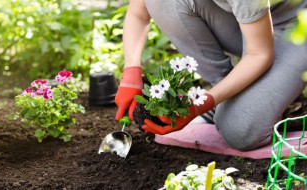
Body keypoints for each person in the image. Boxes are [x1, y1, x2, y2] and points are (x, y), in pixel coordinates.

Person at [115, 0, 307, 151]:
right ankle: (227, 95)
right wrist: (131, 72)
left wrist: (202, 105)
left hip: (297, 27)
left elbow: (259, 54)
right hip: (251, 24)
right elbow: (138, 13)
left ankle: (241, 102)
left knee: (239, 132)